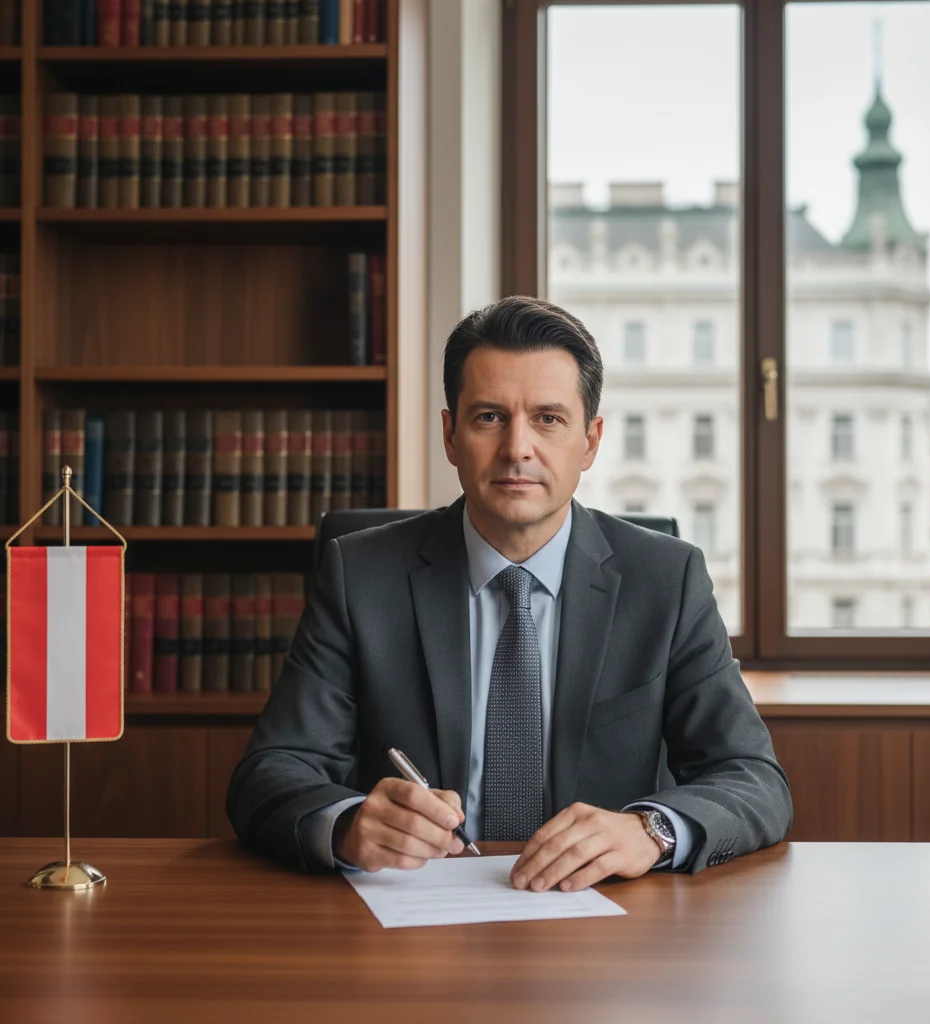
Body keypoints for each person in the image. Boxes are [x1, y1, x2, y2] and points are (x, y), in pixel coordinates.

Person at [227, 295, 792, 891]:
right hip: (415, 919)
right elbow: (272, 771)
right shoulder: (362, 574)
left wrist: (650, 831)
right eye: (489, 417)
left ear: (591, 441)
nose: (517, 448)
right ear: (450, 435)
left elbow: (753, 778)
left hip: (606, 924)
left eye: (548, 418)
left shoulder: (666, 579)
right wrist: (346, 826)